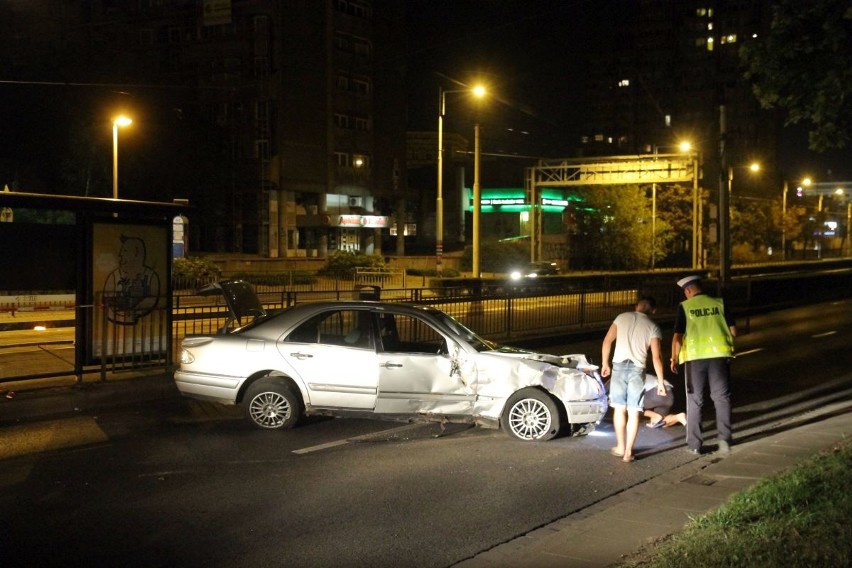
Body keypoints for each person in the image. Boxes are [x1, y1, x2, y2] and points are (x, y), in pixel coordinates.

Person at [670, 275, 737, 455]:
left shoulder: (685, 307)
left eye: (685, 292)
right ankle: (724, 440)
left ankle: (695, 445)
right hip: (719, 357)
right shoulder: (719, 303)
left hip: (695, 359)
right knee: (721, 398)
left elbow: (677, 337)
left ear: (689, 290)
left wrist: (674, 358)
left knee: (695, 401)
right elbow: (733, 331)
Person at [601, 296, 667, 463]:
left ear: (636, 306)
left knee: (619, 409)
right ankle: (629, 452)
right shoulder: (653, 327)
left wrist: (605, 363)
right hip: (638, 370)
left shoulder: (621, 317)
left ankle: (620, 446)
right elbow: (656, 357)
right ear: (653, 310)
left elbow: (607, 341)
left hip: (619, 367)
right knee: (634, 411)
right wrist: (660, 382)